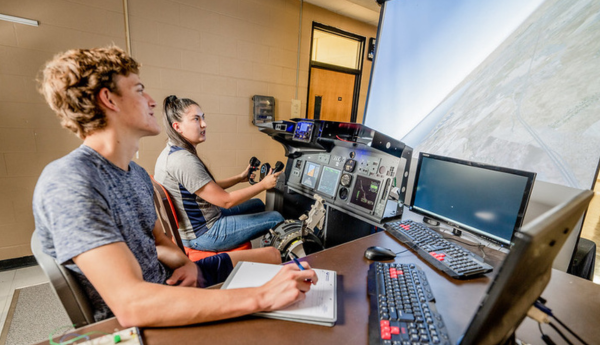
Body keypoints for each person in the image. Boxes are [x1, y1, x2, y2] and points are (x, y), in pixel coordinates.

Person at [32, 46, 317, 327]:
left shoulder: (135, 173)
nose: (152, 101)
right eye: (139, 89)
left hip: (169, 278)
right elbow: (132, 305)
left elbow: (158, 241)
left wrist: (183, 262)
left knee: (273, 256)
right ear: (109, 99)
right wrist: (262, 297)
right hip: (145, 315)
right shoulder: (71, 181)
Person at [154, 95, 285, 252]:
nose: (204, 124)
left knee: (257, 204)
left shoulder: (171, 151)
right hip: (204, 233)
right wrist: (264, 184)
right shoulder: (182, 160)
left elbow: (204, 187)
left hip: (199, 222)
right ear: (177, 127)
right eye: (196, 119)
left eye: (203, 118)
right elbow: (226, 201)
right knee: (276, 218)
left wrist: (239, 178)